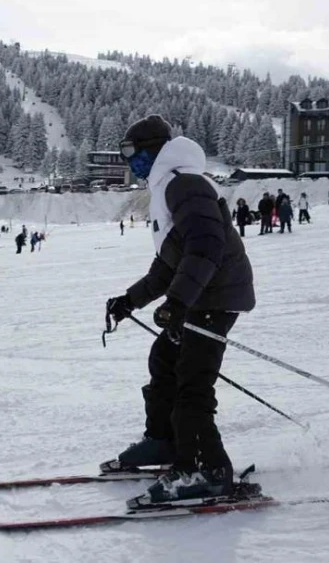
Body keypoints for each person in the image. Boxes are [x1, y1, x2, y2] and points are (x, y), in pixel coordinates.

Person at [106, 115, 256, 506]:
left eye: (129, 151)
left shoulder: (184, 184)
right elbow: (170, 263)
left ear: (152, 148)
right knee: (166, 358)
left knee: (192, 380)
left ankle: (205, 469)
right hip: (201, 294)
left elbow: (206, 247)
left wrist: (177, 303)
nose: (128, 160)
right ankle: (165, 441)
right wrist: (130, 300)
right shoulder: (170, 186)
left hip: (215, 295)